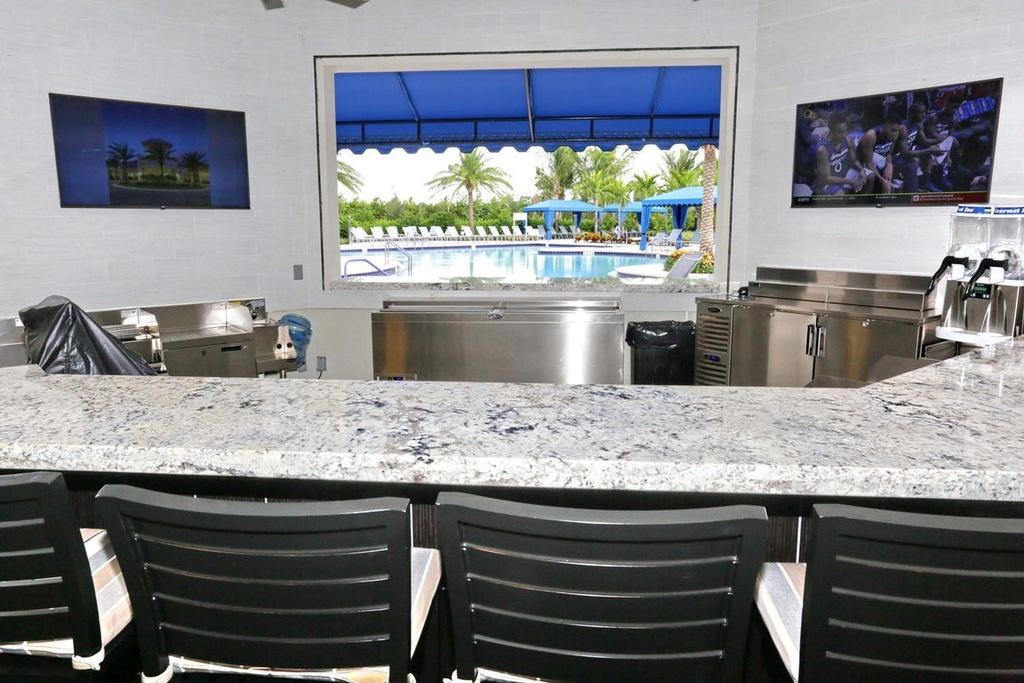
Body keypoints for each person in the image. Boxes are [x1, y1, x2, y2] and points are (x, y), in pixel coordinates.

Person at [814, 111, 866, 196]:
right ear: (831, 131)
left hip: (844, 175)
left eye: (845, 131)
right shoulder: (823, 150)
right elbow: (826, 178)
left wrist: (861, 170)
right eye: (840, 132)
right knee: (840, 194)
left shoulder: (847, 139)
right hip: (828, 182)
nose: (844, 135)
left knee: (870, 176)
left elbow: (854, 160)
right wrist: (849, 181)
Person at [859, 112, 902, 194]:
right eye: (893, 130)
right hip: (862, 161)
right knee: (875, 178)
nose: (895, 134)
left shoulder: (894, 135)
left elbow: (889, 154)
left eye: (897, 131)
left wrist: (889, 165)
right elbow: (868, 163)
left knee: (895, 166)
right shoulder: (871, 136)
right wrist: (882, 181)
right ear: (885, 126)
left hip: (877, 159)